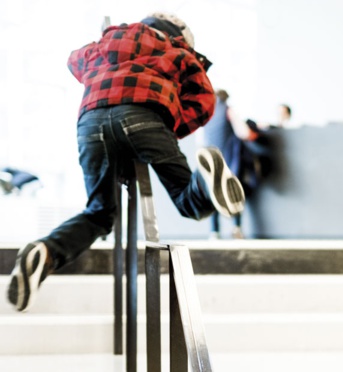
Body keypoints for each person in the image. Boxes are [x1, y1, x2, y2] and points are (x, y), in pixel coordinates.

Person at [6, 13, 245, 312]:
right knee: (189, 202)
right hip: (146, 117)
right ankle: (203, 179)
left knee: (99, 213)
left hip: (91, 123)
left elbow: (75, 60)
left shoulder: (109, 40)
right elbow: (204, 100)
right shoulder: (178, 50)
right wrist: (172, 127)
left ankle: (46, 251)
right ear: (180, 35)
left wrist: (105, 59)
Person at [203, 89, 258, 239]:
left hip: (210, 160)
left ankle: (214, 232)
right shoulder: (228, 110)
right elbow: (244, 133)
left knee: (214, 194)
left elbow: (201, 140)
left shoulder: (207, 113)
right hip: (228, 159)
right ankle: (236, 228)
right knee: (234, 192)